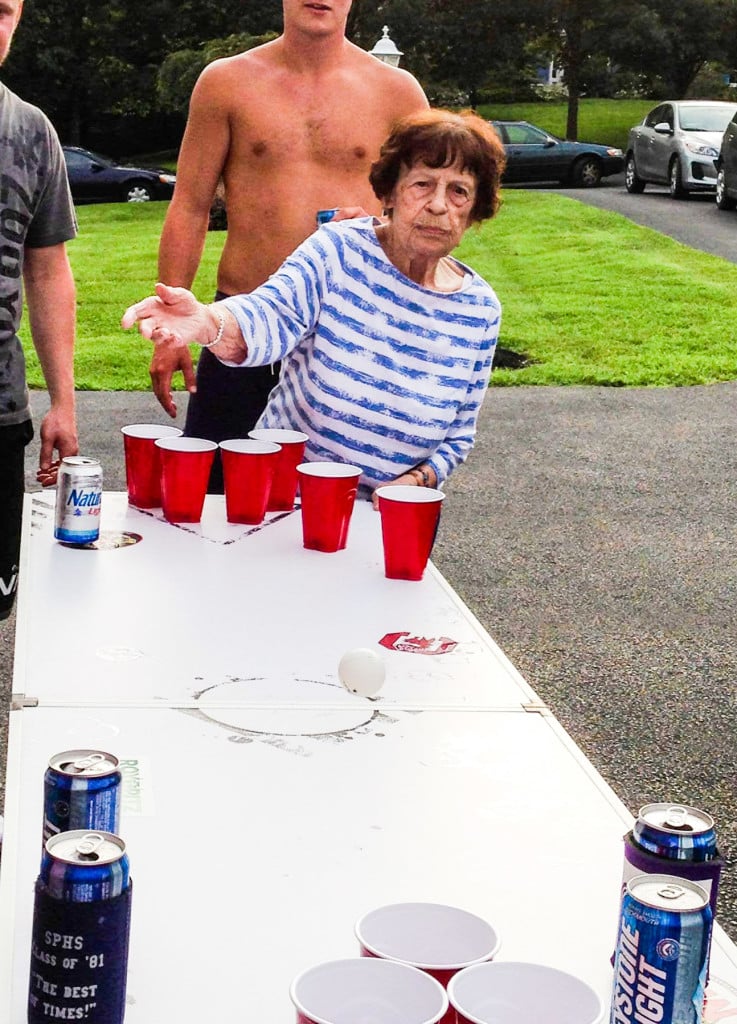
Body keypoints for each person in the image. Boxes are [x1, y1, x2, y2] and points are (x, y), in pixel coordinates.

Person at [124, 109, 505, 503]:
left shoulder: (480, 310)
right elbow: (271, 314)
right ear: (389, 193)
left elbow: (459, 434)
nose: (439, 205)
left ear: (475, 210)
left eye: (459, 191)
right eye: (422, 185)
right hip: (288, 501)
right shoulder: (338, 250)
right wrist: (206, 321)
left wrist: (418, 482)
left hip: (393, 516)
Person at [152, 0, 428, 490]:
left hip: (347, 328)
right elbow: (190, 205)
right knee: (215, 495)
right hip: (240, 319)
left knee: (337, 494)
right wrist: (172, 320)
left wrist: (379, 225)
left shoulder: (396, 92)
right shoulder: (227, 82)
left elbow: (424, 211)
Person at [0, 0, 78, 620]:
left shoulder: (30, 130)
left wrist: (63, 401)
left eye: (2, 11)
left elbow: (49, 272)